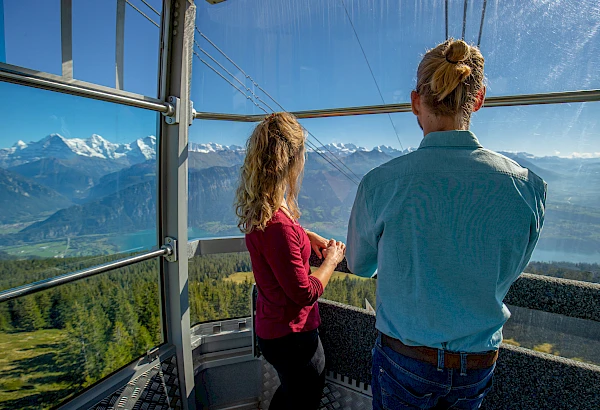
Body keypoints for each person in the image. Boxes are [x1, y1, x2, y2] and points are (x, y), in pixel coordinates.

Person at [346, 39, 547, 410]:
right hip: (477, 363)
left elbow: (360, 265)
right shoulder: (526, 188)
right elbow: (509, 268)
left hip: (404, 358)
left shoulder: (381, 183)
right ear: (480, 98)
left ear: (414, 102)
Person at [234, 112, 346, 410]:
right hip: (292, 337)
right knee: (303, 400)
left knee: (291, 395)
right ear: (292, 159)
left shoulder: (263, 210)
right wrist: (332, 260)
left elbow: (279, 243)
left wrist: (305, 234)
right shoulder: (278, 224)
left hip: (274, 330)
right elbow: (303, 292)